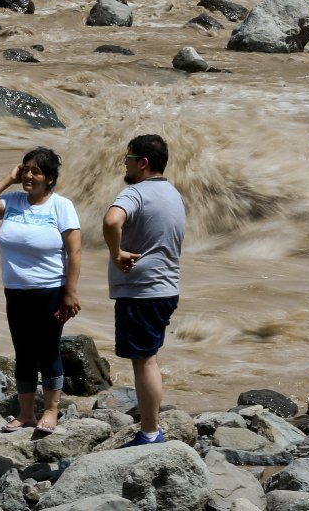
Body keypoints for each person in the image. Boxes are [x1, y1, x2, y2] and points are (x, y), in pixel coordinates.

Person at [0, 147, 81, 434]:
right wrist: (8, 179)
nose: (29, 176)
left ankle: (51, 411)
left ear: (50, 178)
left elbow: (75, 251)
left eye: (36, 171)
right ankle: (25, 414)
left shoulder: (61, 206)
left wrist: (70, 292)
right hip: (16, 290)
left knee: (48, 350)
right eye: (26, 169)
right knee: (23, 351)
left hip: (49, 290)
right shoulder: (12, 201)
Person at [102, 134, 185, 447]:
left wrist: (117, 253)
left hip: (141, 291)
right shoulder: (174, 195)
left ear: (143, 162)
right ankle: (151, 427)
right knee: (148, 356)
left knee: (144, 360)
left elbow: (111, 221)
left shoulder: (136, 193)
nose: (125, 163)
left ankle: (150, 432)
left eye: (128, 157)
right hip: (166, 288)